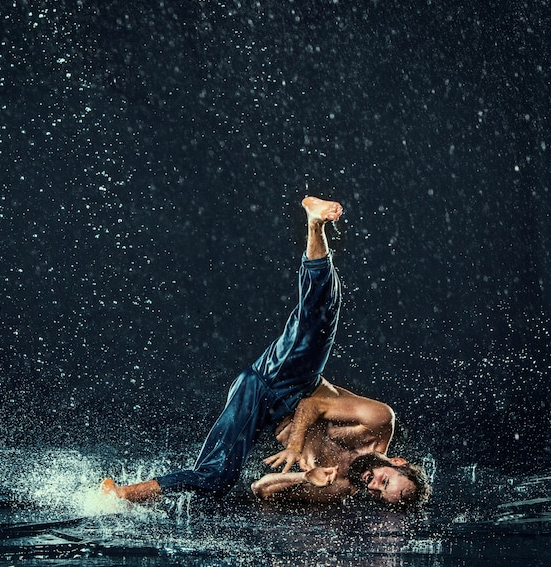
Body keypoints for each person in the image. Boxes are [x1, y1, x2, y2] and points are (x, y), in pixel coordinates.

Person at [101, 196, 431, 508]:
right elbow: (312, 404)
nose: (373, 486)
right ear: (398, 462)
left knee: (215, 480)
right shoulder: (377, 421)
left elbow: (262, 489)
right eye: (385, 482)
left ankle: (119, 494)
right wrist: (294, 446)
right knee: (321, 313)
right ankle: (315, 224)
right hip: (288, 381)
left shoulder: (341, 486)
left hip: (258, 406)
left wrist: (305, 476)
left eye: (378, 494)